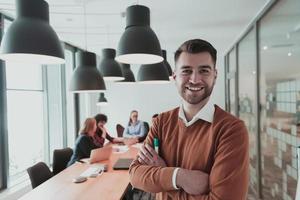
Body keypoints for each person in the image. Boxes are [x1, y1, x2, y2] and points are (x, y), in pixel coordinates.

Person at [129, 39, 249, 200]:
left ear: (215, 75)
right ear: (174, 76)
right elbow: (135, 174)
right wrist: (179, 177)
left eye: (204, 71)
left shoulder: (231, 129)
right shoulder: (161, 122)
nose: (194, 79)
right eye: (186, 71)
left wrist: (164, 178)